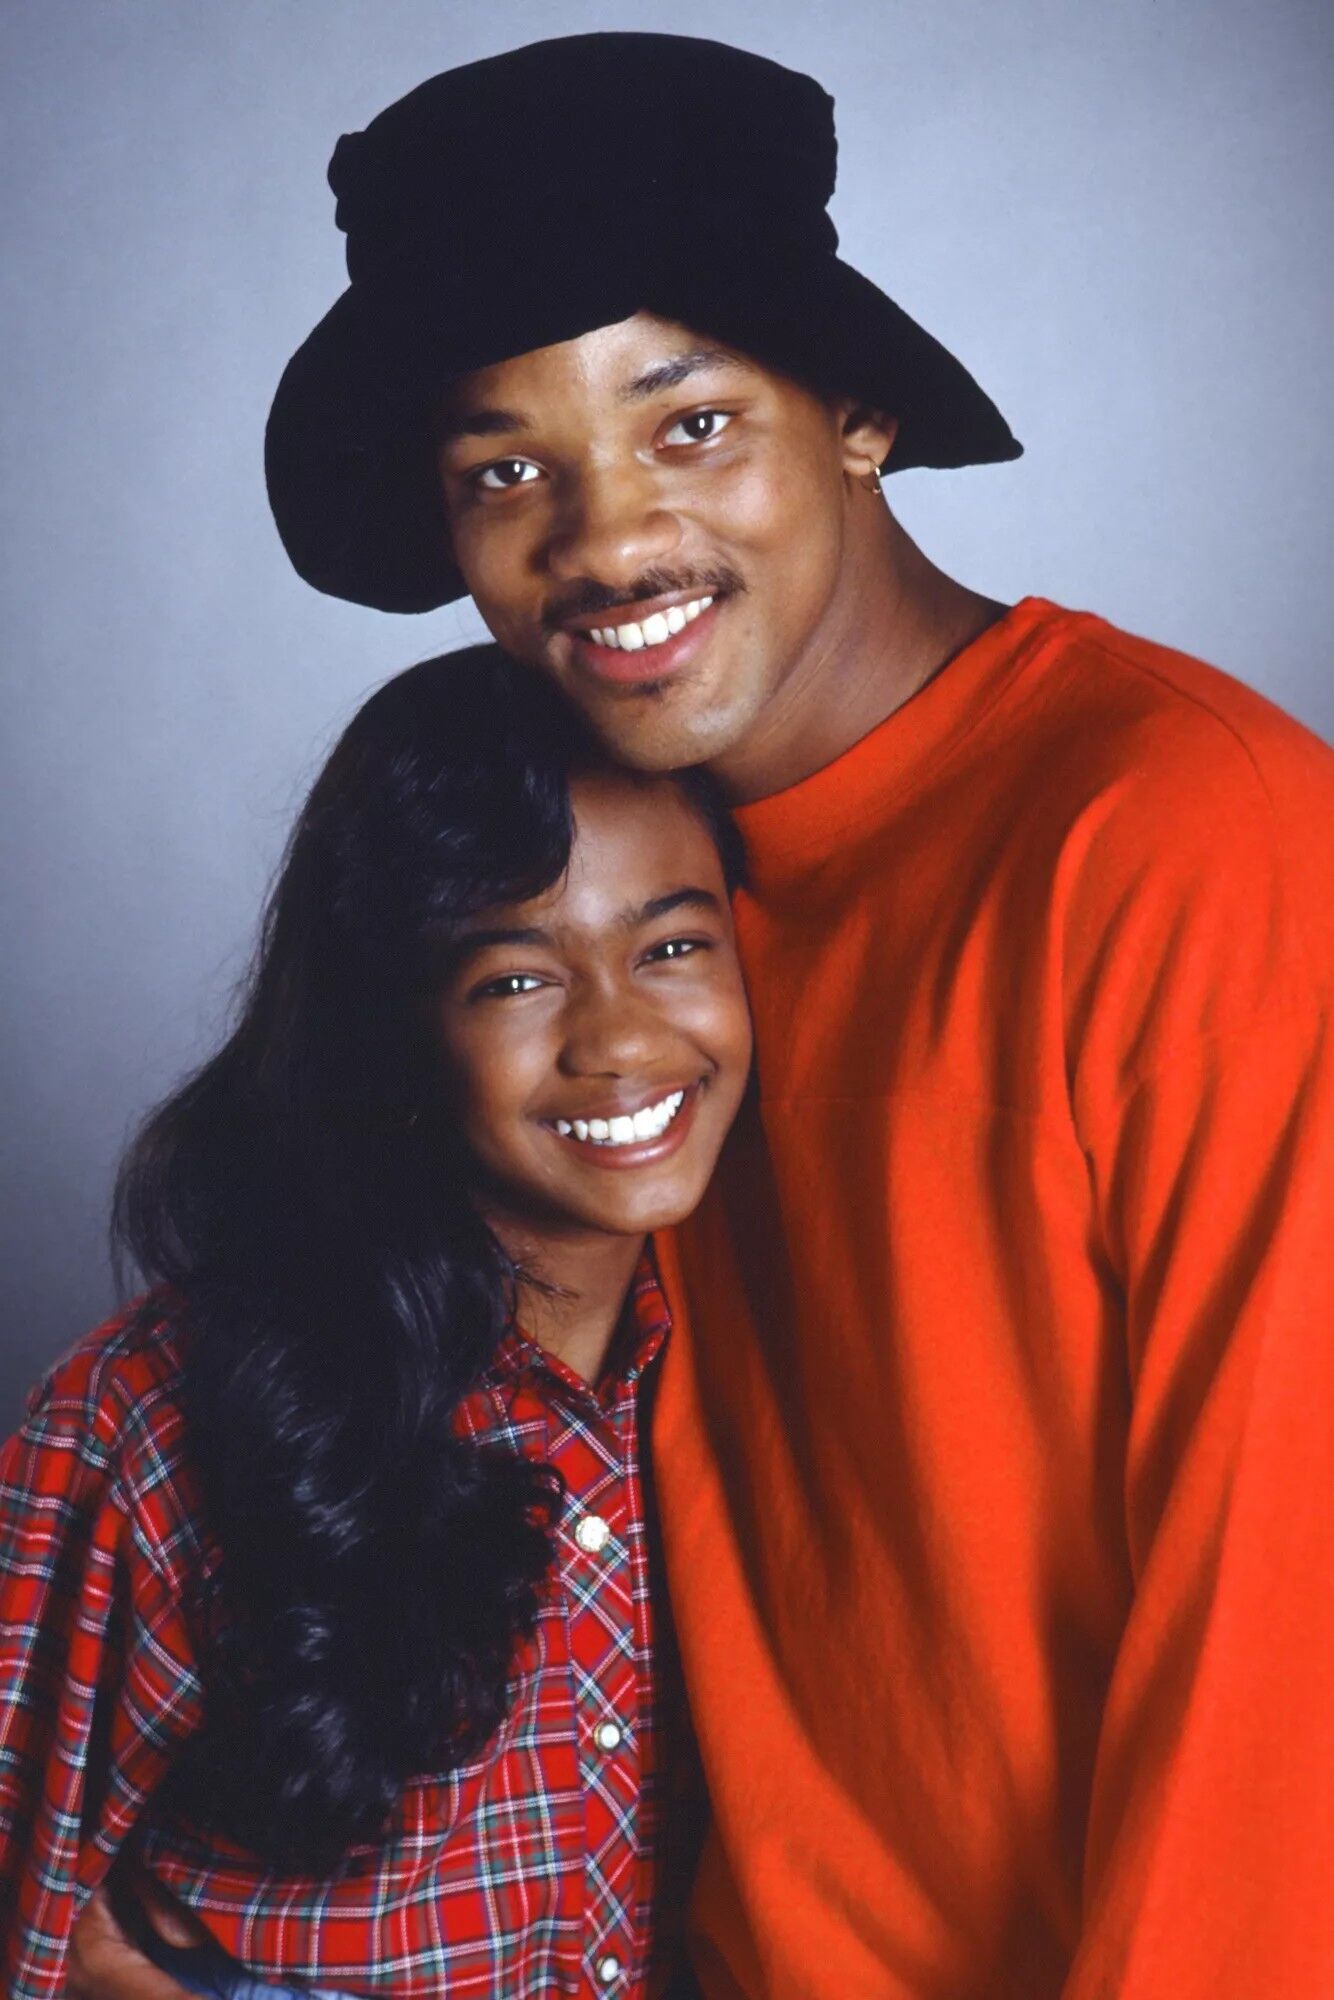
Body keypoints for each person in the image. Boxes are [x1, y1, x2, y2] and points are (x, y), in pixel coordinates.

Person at [73, 27, 1334, 2000]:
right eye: (509, 467)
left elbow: (1286, 1643)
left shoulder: (1190, 839)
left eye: (688, 424)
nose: (606, 543)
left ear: (854, 413)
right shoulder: (625, 927)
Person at [0, 643, 752, 1999]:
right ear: (394, 1025)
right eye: (516, 979)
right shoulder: (158, 1417)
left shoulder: (765, 1359)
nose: (621, 1039)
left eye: (674, 946)